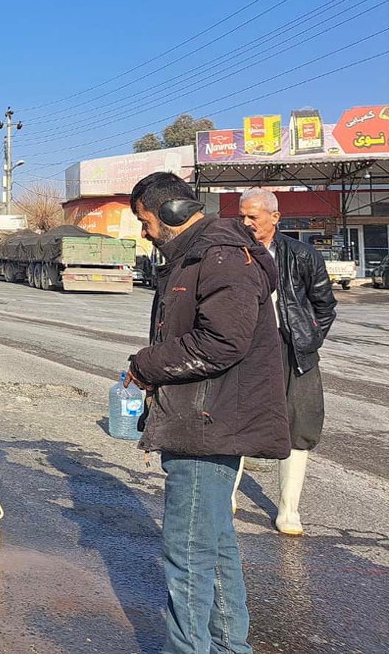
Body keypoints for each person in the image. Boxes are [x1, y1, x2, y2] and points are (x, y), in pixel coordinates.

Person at [126, 172, 290, 654]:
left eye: (146, 222)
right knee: (213, 547)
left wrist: (146, 364)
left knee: (188, 555)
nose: (145, 233)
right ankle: (229, 647)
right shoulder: (200, 255)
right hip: (203, 419)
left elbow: (222, 342)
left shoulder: (220, 256)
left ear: (172, 212)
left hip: (206, 424)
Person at [234, 187, 336, 535]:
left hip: (294, 350)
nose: (246, 223)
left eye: (253, 217)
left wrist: (309, 339)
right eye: (242, 216)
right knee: (236, 419)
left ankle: (288, 510)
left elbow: (325, 305)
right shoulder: (232, 253)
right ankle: (226, 496)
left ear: (275, 217)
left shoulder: (303, 255)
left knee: (299, 426)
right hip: (244, 348)